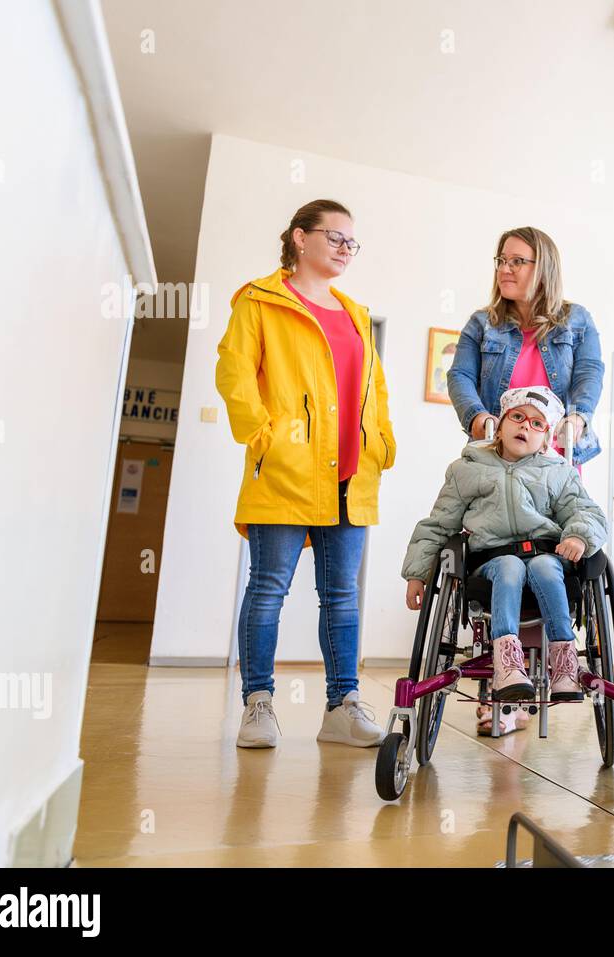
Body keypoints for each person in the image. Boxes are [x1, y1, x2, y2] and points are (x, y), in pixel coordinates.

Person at [215, 198, 397, 750]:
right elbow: (234, 370)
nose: (345, 249)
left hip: (349, 477)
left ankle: (342, 707)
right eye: (335, 237)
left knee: (341, 596)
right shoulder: (260, 299)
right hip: (286, 471)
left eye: (351, 242)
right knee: (268, 589)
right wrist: (262, 434)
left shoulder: (356, 314)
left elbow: (376, 391)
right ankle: (258, 705)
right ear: (299, 238)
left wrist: (382, 444)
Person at [401, 387, 608, 728]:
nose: (525, 426)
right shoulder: (466, 469)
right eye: (517, 417)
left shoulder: (558, 473)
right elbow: (438, 524)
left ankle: (565, 662)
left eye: (538, 423)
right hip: (493, 561)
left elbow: (586, 512)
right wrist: (417, 573)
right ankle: (508, 664)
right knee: (511, 566)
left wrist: (578, 536)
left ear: (545, 441)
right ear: (499, 425)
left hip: (546, 555)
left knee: (543, 565)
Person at [446, 226, 604, 477]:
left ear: (543, 269)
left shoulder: (577, 320)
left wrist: (578, 418)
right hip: (495, 459)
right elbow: (459, 375)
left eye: (517, 261)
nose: (504, 269)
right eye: (501, 261)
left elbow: (589, 373)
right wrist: (476, 417)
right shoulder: (481, 323)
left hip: (555, 463)